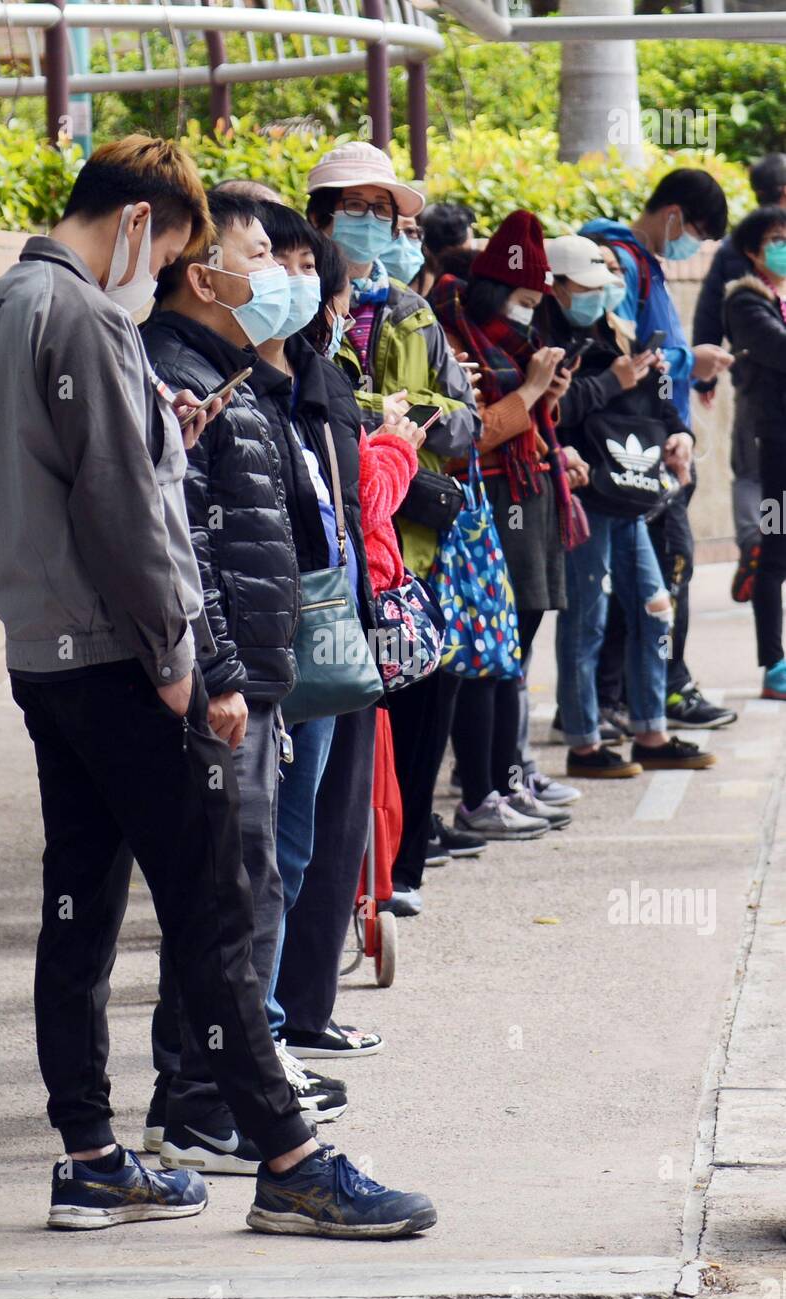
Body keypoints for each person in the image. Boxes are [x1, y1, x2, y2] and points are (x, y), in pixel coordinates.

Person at [0, 138, 436, 1240]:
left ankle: (91, 1155)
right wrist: (188, 668)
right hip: (127, 665)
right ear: (138, 225)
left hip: (46, 654)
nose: (164, 268)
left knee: (77, 911)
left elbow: (65, 476)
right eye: (170, 246)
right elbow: (128, 521)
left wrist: (158, 445)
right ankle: (289, 1158)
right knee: (215, 912)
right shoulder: (84, 317)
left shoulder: (3, 310)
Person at [139, 190, 349, 1173]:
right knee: (227, 898)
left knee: (246, 886)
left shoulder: (229, 374)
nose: (278, 275)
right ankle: (197, 1103)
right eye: (261, 255)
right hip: (226, 686)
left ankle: (208, 1096)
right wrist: (224, 673)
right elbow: (185, 553)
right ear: (201, 270)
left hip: (255, 679)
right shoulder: (175, 375)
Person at [248, 200, 423, 1058]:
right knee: (272, 852)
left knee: (304, 837)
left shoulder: (304, 374)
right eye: (274, 260)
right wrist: (396, 448)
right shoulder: (255, 386)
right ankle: (259, 1043)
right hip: (282, 646)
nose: (301, 282)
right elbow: (352, 500)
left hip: (326, 628)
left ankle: (281, 1028)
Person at [306, 141, 482, 911]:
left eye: (386, 213)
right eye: (360, 210)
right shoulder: (297, 301)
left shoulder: (414, 315)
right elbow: (311, 409)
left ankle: (399, 870)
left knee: (416, 700)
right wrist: (385, 420)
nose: (376, 225)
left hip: (408, 545)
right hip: (327, 548)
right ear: (320, 217)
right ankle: (327, 883)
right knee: (336, 712)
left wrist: (414, 425)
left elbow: (468, 422)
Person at [538, 233, 716, 776]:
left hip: (633, 493)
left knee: (654, 609)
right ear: (557, 286)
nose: (600, 294)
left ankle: (651, 732)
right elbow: (547, 413)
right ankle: (585, 742)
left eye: (607, 282)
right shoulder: (544, 340)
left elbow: (653, 403)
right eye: (588, 285)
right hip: (586, 498)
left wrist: (678, 432)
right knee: (587, 622)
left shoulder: (618, 332)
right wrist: (609, 383)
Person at [432, 210, 586, 835]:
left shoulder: (506, 343)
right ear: (498, 291)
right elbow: (468, 435)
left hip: (526, 499)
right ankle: (484, 787)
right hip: (488, 507)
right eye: (523, 299)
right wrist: (530, 393)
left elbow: (519, 423)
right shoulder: (456, 333)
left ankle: (506, 777)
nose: (529, 313)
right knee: (491, 657)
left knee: (513, 655)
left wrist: (545, 400)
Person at [582, 169, 737, 733]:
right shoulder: (624, 265)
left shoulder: (641, 264)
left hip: (648, 441)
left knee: (640, 576)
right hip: (634, 449)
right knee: (664, 570)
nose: (690, 244)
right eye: (693, 230)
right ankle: (656, 692)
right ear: (673, 216)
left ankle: (622, 698)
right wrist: (685, 363)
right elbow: (634, 363)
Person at [693, 153, 786, 603]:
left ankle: (755, 539)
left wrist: (705, 378)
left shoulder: (739, 242)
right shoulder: (755, 244)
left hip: (751, 379)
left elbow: (710, 307)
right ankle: (762, 546)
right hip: (764, 379)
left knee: (751, 471)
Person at [723, 204, 786, 699]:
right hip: (773, 450)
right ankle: (774, 665)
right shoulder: (745, 303)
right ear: (752, 251)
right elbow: (778, 351)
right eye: (776, 240)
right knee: (773, 553)